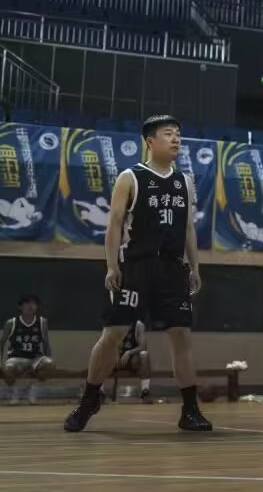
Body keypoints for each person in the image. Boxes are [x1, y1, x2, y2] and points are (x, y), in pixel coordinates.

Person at [64, 114, 212, 432]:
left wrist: (195, 266)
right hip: (136, 265)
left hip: (172, 268)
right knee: (114, 335)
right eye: (168, 134)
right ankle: (89, 399)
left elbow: (188, 228)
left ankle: (190, 410)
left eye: (178, 134)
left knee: (181, 335)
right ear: (150, 142)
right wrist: (111, 265)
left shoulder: (185, 182)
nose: (176, 139)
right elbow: (114, 225)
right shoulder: (130, 177)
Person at [2, 294, 53, 405]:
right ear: (20, 307)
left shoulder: (42, 322)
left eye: (34, 303)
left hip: (35, 359)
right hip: (15, 358)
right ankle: (16, 392)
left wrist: (49, 360)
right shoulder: (11, 323)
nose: (31, 306)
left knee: (49, 364)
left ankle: (31, 390)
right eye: (27, 303)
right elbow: (1, 344)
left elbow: (46, 344)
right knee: (8, 369)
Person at [115, 320, 152, 402]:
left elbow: (143, 346)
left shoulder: (139, 325)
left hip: (133, 359)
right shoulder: (115, 323)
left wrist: (129, 352)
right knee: (102, 355)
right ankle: (99, 392)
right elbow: (108, 343)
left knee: (144, 354)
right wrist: (116, 354)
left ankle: (145, 391)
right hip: (116, 358)